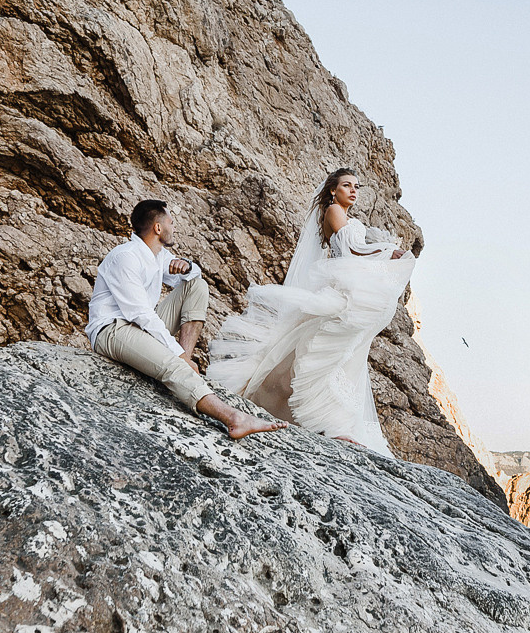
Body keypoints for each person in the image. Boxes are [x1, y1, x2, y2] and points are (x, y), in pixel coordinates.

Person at [207, 167, 415, 454]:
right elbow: (353, 252)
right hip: (344, 289)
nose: (353, 191)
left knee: (345, 354)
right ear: (333, 190)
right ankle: (329, 422)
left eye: (357, 186)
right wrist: (386, 252)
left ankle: (338, 421)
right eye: (346, 186)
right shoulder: (333, 211)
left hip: (349, 286)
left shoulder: (345, 215)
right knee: (329, 352)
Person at [89, 199, 285, 440]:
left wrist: (186, 266)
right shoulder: (126, 257)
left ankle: (185, 360)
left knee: (197, 286)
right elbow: (139, 314)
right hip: (112, 329)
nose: (174, 227)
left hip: (138, 327)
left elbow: (194, 277)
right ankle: (234, 418)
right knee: (172, 363)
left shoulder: (158, 255)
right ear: (158, 228)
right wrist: (177, 355)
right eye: (171, 222)